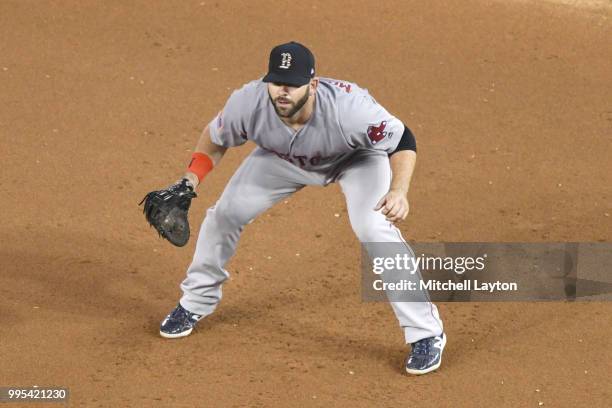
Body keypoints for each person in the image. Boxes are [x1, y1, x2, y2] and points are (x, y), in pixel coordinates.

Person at [157, 41, 446, 375]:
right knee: (224, 215)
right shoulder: (248, 102)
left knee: (373, 228)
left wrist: (399, 190)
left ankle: (426, 334)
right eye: (277, 82)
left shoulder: (350, 108)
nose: (283, 91)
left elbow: (402, 139)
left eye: (293, 84)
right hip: (282, 158)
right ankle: (194, 303)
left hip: (355, 158)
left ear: (313, 84)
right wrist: (191, 179)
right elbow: (215, 137)